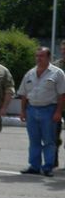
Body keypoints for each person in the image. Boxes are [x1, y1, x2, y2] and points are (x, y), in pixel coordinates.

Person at [17, 47, 65, 176]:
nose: (38, 58)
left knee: (49, 141)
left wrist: (58, 112)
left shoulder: (57, 73)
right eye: (37, 56)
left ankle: (48, 167)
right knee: (34, 140)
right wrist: (23, 111)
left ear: (49, 58)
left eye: (42, 56)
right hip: (32, 109)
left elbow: (62, 95)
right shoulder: (30, 73)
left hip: (49, 110)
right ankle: (34, 166)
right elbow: (24, 94)